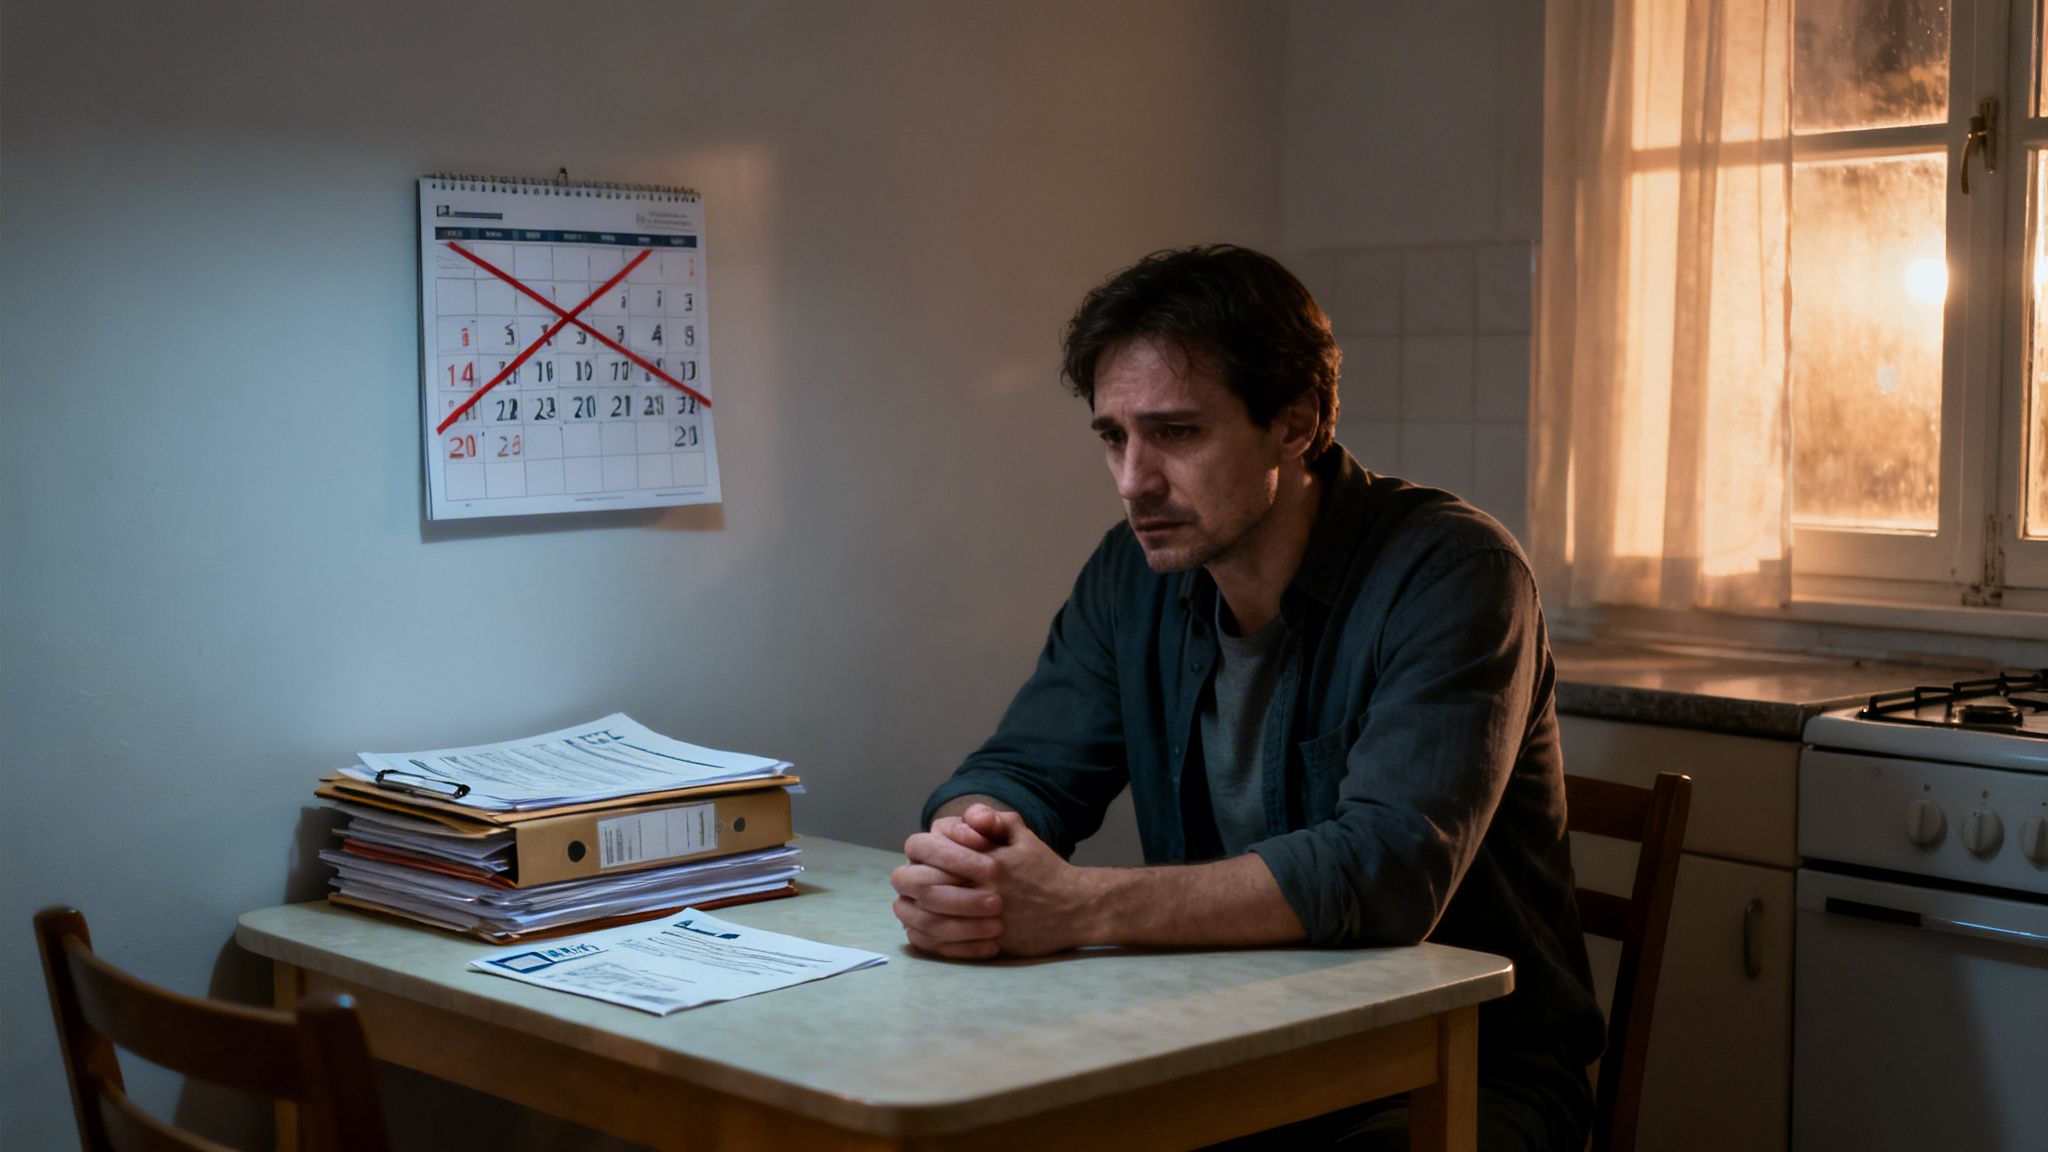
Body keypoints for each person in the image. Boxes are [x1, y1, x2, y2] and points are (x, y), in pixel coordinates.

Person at [889, 244, 1603, 1150]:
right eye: (1114, 436)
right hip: (1227, 1042)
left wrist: (1076, 905)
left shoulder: (1455, 572)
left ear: (1295, 424)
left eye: (1177, 433)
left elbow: (1385, 871)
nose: (1134, 481)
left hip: (1457, 1070)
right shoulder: (1133, 573)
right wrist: (969, 854)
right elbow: (1024, 768)